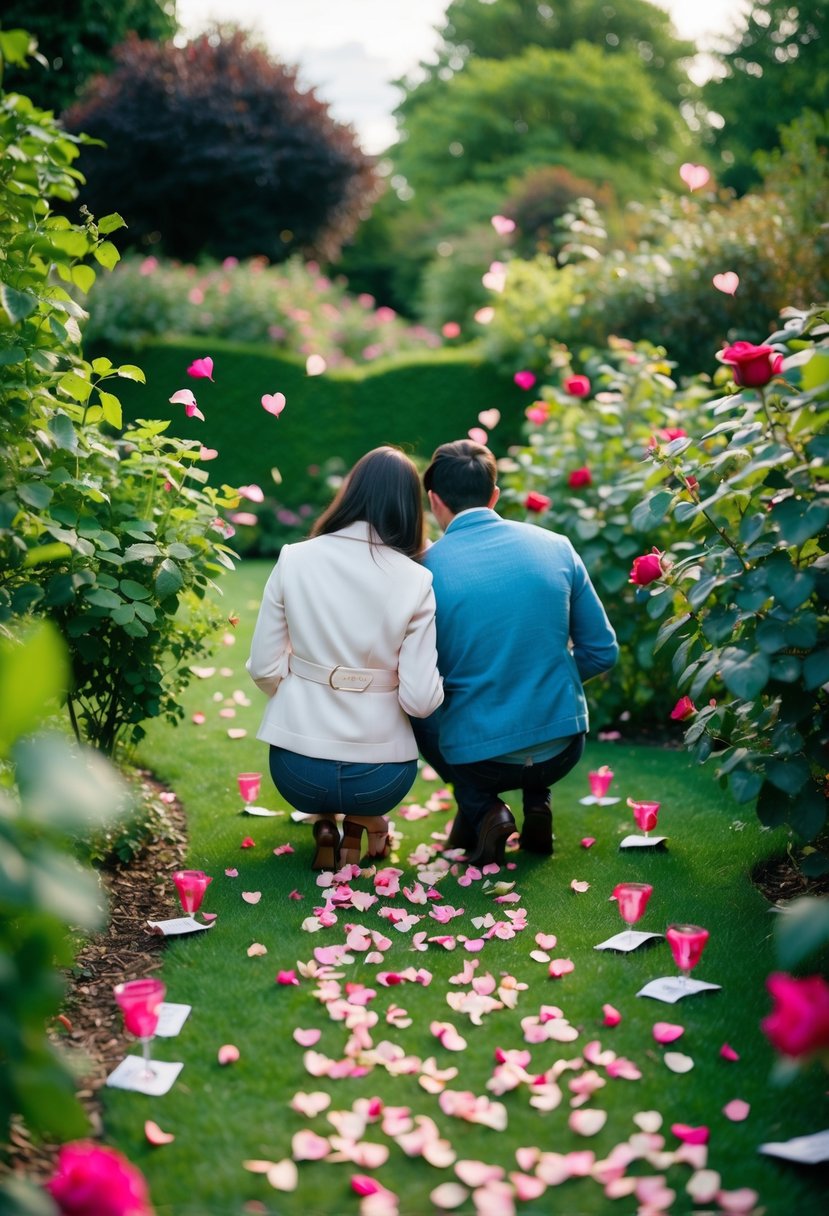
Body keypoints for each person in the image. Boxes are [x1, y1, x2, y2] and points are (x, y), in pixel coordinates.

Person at [414, 439, 618, 867]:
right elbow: (602, 651)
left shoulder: (424, 571)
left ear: (434, 501)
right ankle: (537, 800)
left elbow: (419, 678)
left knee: (419, 713)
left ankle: (487, 810)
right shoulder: (557, 546)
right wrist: (544, 678)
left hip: (480, 758)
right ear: (494, 496)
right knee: (527, 754)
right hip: (562, 748)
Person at [247, 446, 444, 870]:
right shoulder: (417, 579)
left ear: (351, 492)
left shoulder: (293, 559)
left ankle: (325, 823)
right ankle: (358, 825)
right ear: (409, 506)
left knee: (319, 780)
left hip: (295, 770)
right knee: (363, 788)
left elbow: (263, 667)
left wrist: (301, 692)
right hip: (380, 779)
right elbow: (422, 701)